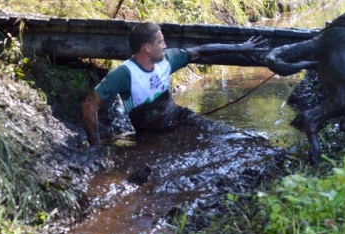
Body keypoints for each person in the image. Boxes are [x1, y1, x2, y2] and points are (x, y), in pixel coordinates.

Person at [81, 22, 266, 147]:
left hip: (180, 118)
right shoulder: (124, 74)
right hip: (151, 135)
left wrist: (239, 48)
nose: (165, 45)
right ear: (147, 48)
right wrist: (95, 147)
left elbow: (200, 52)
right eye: (160, 42)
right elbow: (90, 105)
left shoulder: (168, 59)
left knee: (228, 136)